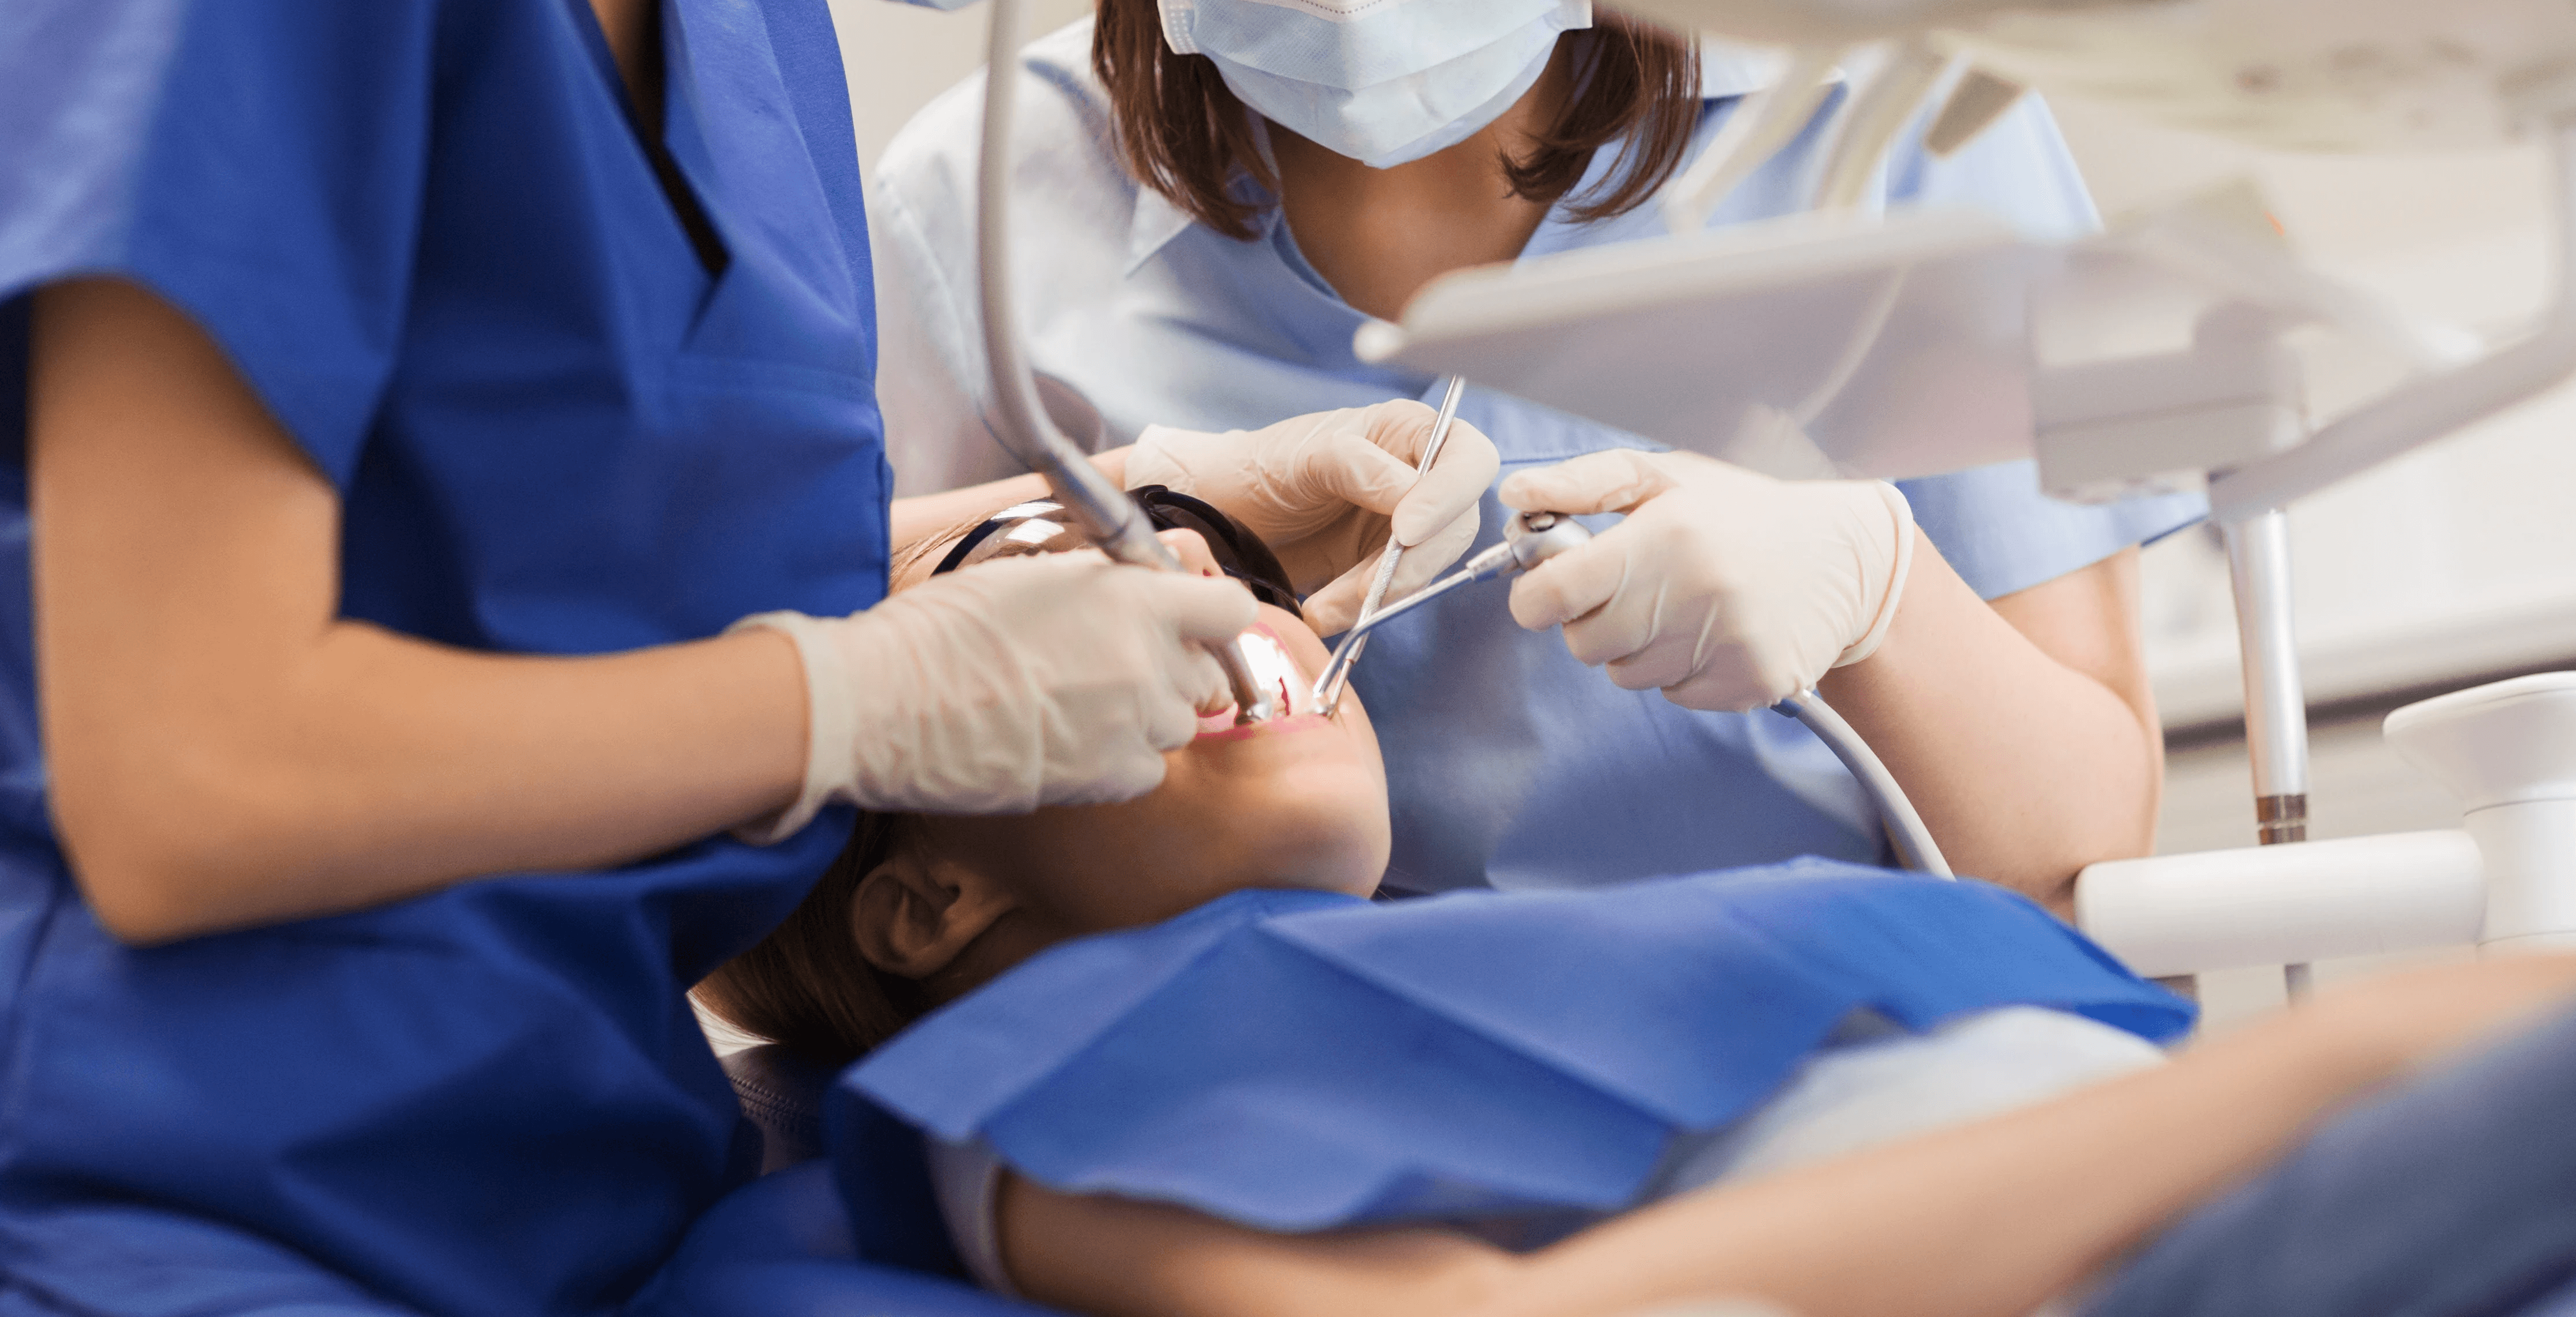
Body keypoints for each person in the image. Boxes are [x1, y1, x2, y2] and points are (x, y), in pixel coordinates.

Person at [0, 0, 1496, 1315]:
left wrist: (1139, 496)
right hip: (166, 1190)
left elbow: (595, 552)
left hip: (593, 1196)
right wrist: (860, 696)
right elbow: (184, 777)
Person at [693, 506, 2576, 1317]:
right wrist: (2333, 1062)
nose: (1183, 563)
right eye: (1039, 566)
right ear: (926, 901)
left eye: (1179, 542)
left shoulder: (1410, 954)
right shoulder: (1021, 1095)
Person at [866, 0, 2210, 912]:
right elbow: (826, 797)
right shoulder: (981, 207)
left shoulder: (1888, 76)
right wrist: (1136, 502)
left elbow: (2079, 852)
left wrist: (1882, 595)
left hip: (1857, 1040)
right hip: (1326, 1073)